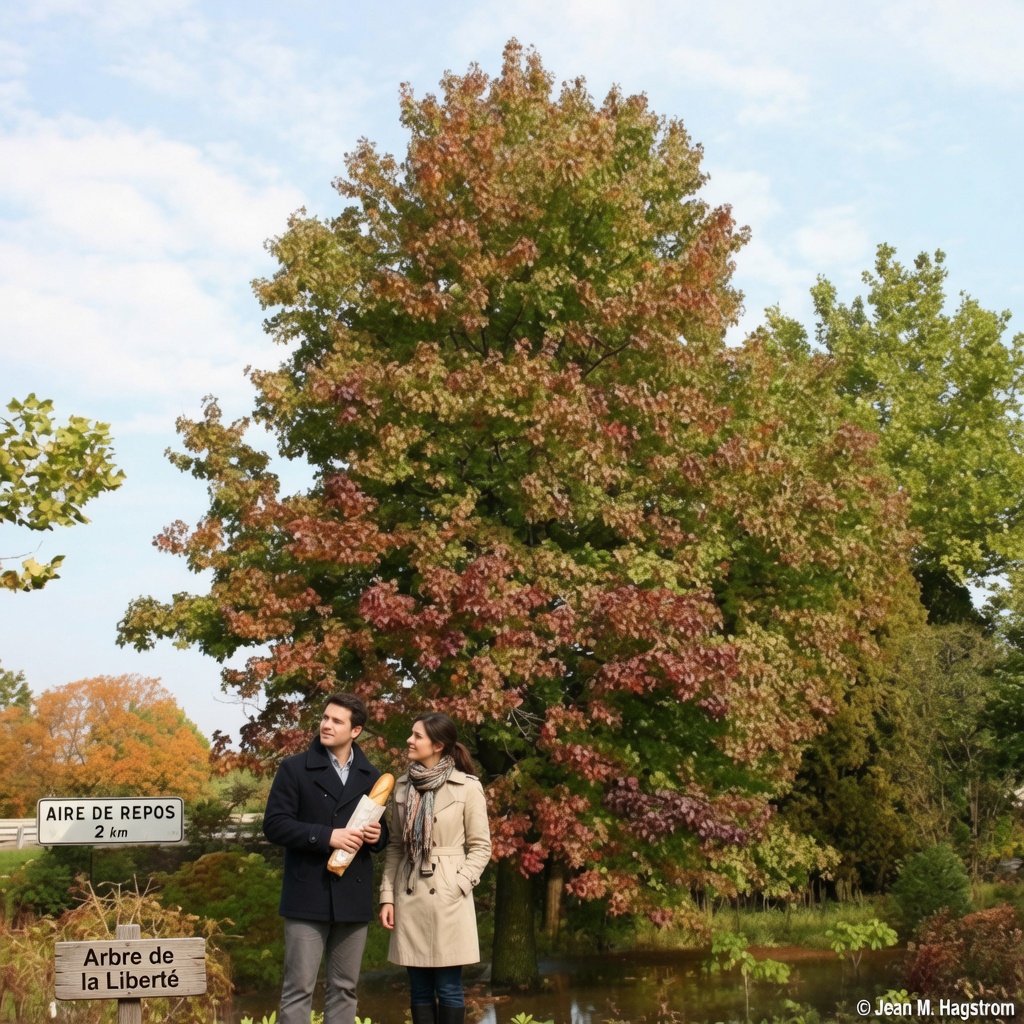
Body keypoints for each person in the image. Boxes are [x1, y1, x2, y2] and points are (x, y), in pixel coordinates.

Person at [264, 693, 389, 1024]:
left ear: (356, 731)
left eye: (337, 720)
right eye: (325, 717)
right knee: (298, 989)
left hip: (353, 895)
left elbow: (382, 832)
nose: (326, 724)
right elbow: (275, 826)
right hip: (307, 892)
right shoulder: (293, 768)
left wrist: (379, 837)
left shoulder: (372, 776)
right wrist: (326, 836)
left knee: (345, 988)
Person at [380, 713, 492, 1024]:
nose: (409, 740)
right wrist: (387, 896)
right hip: (410, 891)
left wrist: (458, 885)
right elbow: (396, 848)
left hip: (449, 894)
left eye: (417, 736)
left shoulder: (467, 786)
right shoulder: (402, 787)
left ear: (438, 745)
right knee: (418, 990)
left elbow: (481, 847)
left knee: (449, 987)